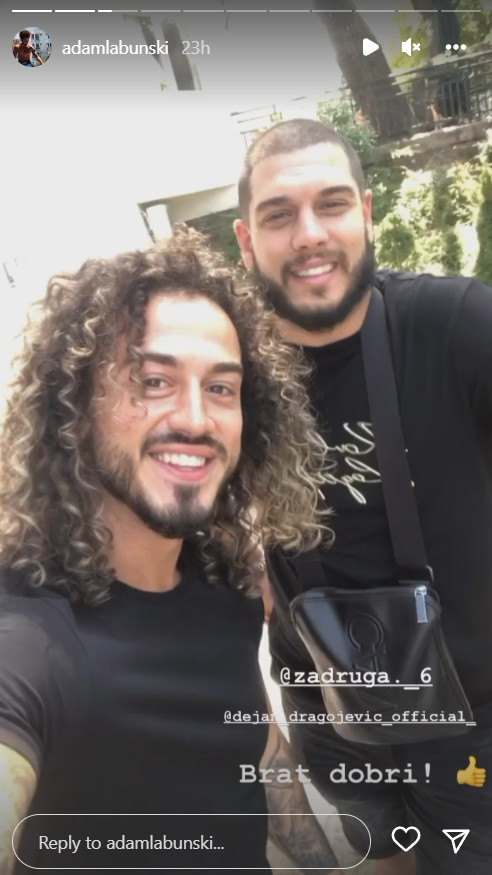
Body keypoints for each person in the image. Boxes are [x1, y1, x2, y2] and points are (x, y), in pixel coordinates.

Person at [0, 231, 342, 874]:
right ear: (75, 409)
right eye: (153, 381)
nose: (195, 419)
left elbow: (258, 751)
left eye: (221, 388)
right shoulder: (28, 639)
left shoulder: (225, 585)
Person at [234, 118, 492, 875]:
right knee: (381, 853)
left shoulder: (453, 324)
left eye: (332, 204)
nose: (309, 234)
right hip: (327, 712)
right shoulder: (227, 373)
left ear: (366, 212)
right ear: (247, 241)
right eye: (279, 215)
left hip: (473, 715)